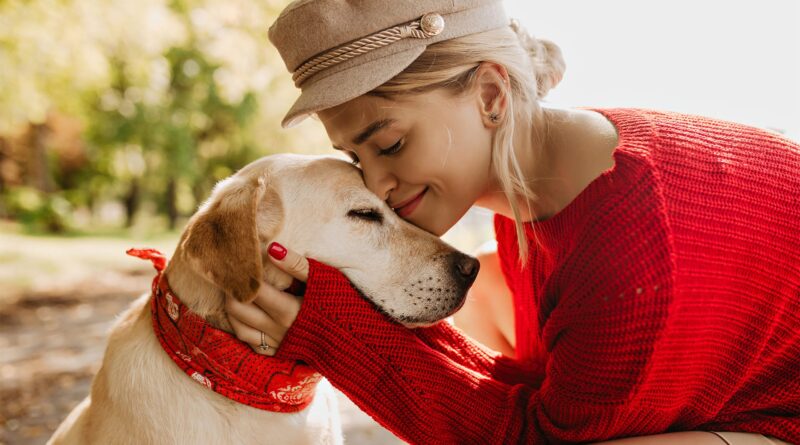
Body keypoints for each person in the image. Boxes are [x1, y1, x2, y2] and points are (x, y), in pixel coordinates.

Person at [224, 1, 800, 443]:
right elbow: (537, 391)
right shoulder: (548, 180)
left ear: (491, 95)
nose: (374, 185)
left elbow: (539, 438)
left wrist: (339, 336)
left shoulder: (629, 239)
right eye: (356, 157)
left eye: (391, 144)